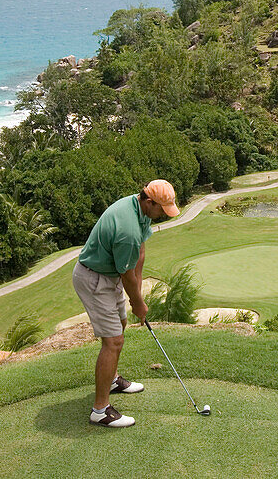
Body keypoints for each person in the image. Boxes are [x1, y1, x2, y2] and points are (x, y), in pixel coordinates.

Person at [72, 179, 180, 427]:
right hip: (94, 278)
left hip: (109, 275)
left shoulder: (138, 209)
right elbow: (126, 274)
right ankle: (100, 411)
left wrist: (138, 295)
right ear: (149, 201)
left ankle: (111, 380)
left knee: (120, 325)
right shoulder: (127, 229)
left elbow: (140, 254)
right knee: (113, 341)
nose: (163, 215)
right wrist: (138, 302)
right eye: (161, 209)